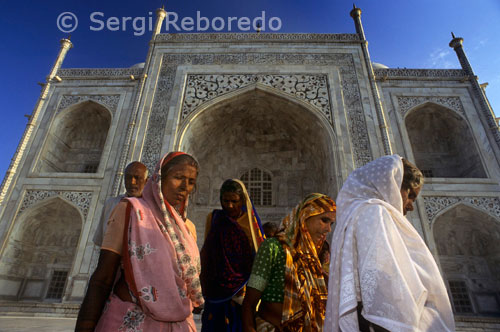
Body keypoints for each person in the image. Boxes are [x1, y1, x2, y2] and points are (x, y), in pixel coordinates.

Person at [75, 152, 204, 332]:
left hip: (179, 324)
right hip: (131, 320)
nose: (184, 187)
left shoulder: (187, 229)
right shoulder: (131, 211)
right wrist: (85, 326)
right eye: (178, 178)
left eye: (191, 182)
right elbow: (103, 278)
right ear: (159, 178)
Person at [324, 155, 455, 332]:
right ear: (392, 183)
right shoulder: (374, 213)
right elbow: (384, 293)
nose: (410, 206)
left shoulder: (355, 214)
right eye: (410, 196)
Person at [242, 193, 336, 332]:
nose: (328, 228)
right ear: (305, 216)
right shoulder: (273, 248)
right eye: (324, 220)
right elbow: (249, 303)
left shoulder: (317, 254)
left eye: (331, 223)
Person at [200, 179, 265, 332]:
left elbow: (259, 257)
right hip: (215, 288)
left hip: (241, 291)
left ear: (242, 200)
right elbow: (208, 253)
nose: (229, 206)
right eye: (225, 200)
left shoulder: (250, 223)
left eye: (234, 201)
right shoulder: (214, 218)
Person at [93, 161, 148, 246]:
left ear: (146, 181)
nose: (132, 182)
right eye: (128, 178)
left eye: (137, 178)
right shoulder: (111, 204)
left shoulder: (152, 207)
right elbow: (101, 241)